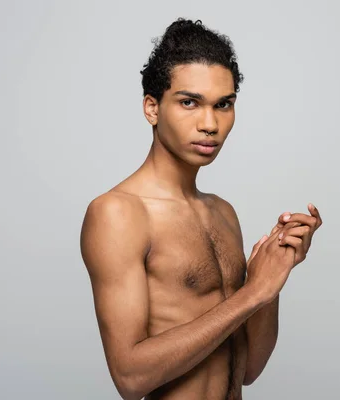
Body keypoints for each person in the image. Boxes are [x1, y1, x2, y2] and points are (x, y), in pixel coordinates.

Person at [80, 18, 323, 400]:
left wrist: (272, 282)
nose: (210, 124)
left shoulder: (222, 213)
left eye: (223, 105)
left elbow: (250, 369)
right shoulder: (117, 214)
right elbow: (130, 378)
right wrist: (251, 294)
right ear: (152, 108)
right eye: (189, 102)